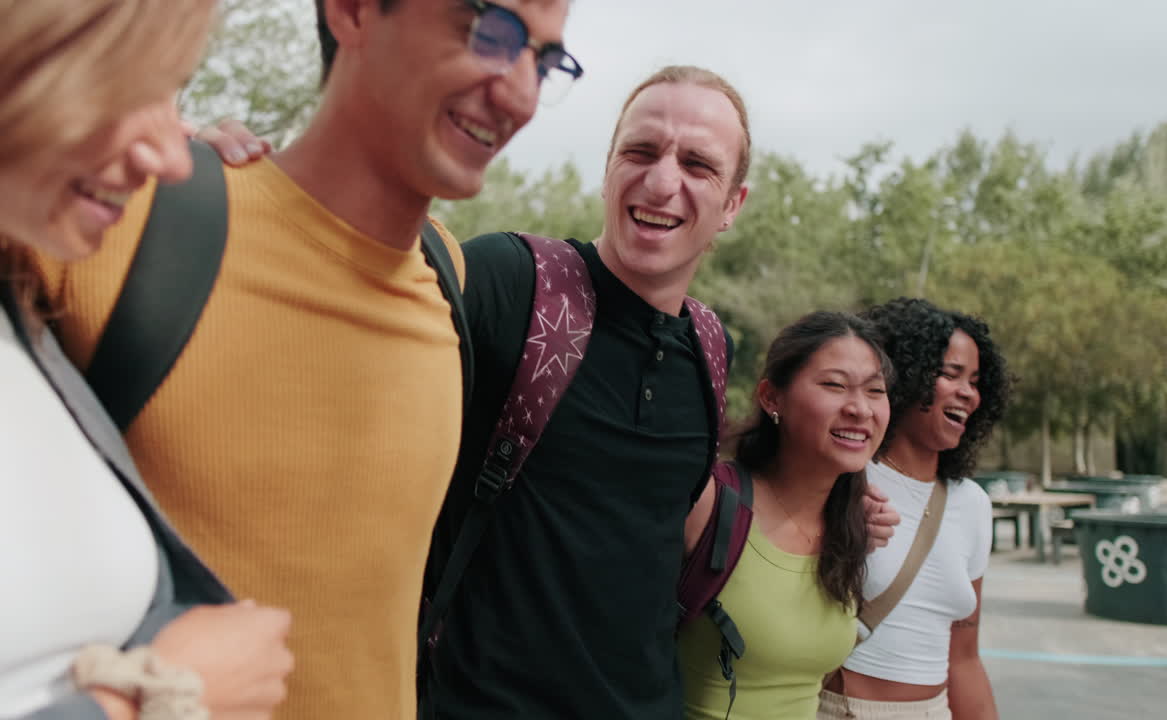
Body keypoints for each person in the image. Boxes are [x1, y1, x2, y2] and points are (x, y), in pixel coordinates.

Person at [28, 2, 580, 720]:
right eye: (489, 29)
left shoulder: (450, 279)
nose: (523, 95)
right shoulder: (125, 223)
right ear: (351, 11)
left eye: (545, 59)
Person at [423, 65, 899, 719]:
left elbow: (675, 514)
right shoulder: (514, 284)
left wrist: (833, 501)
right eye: (641, 152)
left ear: (732, 205)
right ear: (609, 170)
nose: (662, 180)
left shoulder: (709, 347)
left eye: (698, 164)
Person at [0, 1, 293, 719]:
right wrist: (158, 699)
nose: (173, 161)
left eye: (175, 96)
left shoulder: (20, 301)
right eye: (135, 85)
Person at [679, 311, 890, 719]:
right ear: (771, 398)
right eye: (835, 385)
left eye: (875, 390)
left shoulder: (850, 527)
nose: (860, 409)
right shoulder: (708, 502)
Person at [820, 297, 1011, 720]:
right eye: (951, 374)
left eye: (975, 381)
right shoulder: (843, 478)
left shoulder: (972, 504)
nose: (968, 393)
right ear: (905, 376)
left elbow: (964, 658)